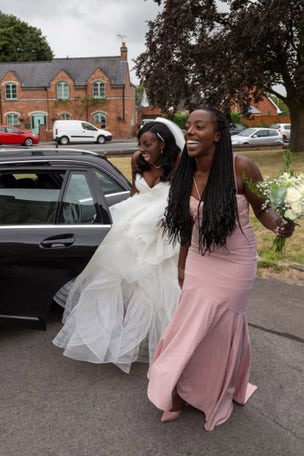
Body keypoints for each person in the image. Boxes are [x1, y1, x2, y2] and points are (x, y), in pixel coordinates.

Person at [147, 107, 295, 431]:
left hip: (236, 263)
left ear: (217, 135)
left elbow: (264, 210)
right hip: (200, 257)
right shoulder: (184, 172)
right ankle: (177, 388)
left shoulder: (241, 167)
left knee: (218, 329)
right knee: (189, 325)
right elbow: (185, 225)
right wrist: (183, 263)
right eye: (188, 127)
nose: (190, 132)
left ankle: (212, 390)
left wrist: (280, 226)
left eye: (199, 126)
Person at [53, 119, 184, 373]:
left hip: (163, 230)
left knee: (161, 290)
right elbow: (135, 194)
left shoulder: (178, 163)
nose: (143, 149)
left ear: (163, 143)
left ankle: (170, 345)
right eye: (140, 143)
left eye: (148, 144)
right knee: (121, 282)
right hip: (135, 227)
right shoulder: (138, 160)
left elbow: (183, 196)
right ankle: (118, 338)